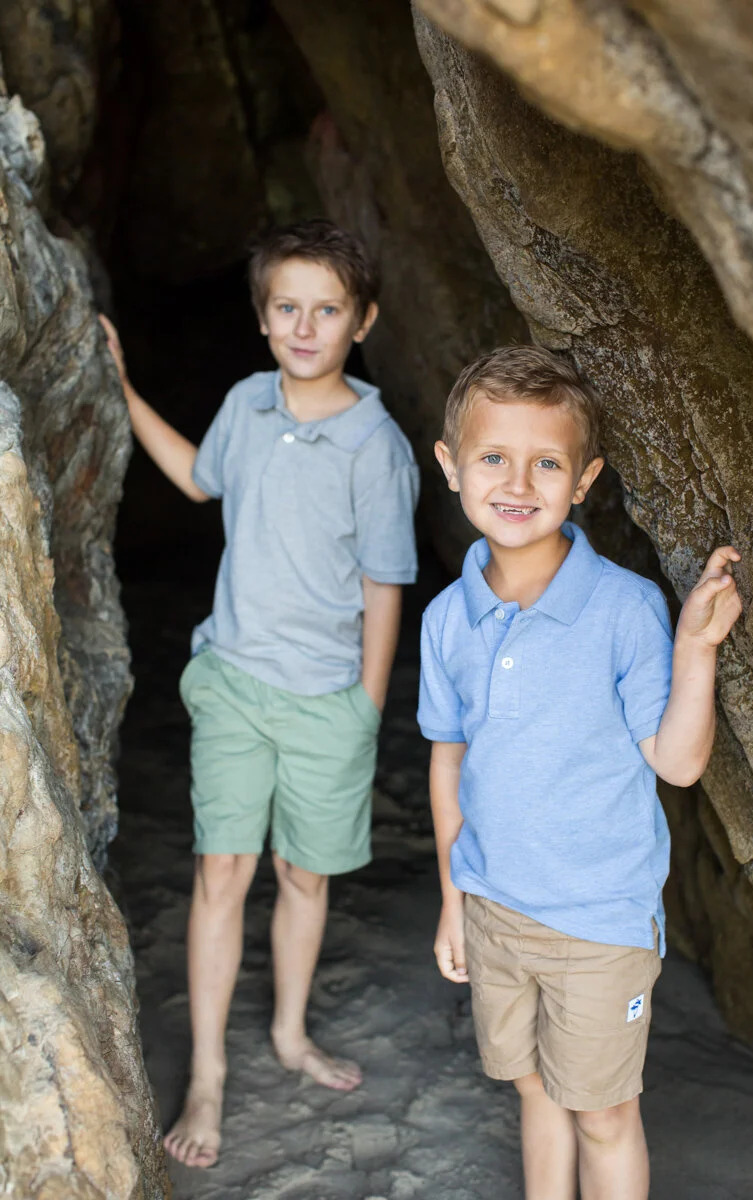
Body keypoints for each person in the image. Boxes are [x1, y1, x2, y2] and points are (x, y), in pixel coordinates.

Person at [101, 219, 419, 1169]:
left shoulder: (377, 445)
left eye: (328, 310)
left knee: (305, 876)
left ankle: (287, 1032)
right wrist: (119, 390)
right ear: (263, 318)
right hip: (235, 684)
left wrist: (365, 706)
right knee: (220, 874)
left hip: (327, 701)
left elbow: (385, 587)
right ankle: (207, 1077)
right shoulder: (245, 406)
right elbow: (199, 483)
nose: (306, 326)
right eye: (288, 308)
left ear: (362, 322)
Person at [417, 345, 741, 1200]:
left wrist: (696, 647)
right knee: (532, 1090)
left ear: (584, 479)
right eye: (493, 457)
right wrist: (454, 900)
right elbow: (449, 760)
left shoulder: (628, 609)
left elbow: (677, 763)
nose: (517, 482)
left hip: (600, 921)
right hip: (492, 904)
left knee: (602, 1111)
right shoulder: (448, 619)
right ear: (451, 467)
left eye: (546, 462)